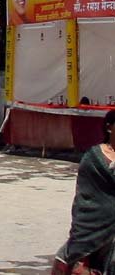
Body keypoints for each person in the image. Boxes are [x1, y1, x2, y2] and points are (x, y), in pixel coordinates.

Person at [53, 109, 115, 273]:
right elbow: (85, 198)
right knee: (66, 262)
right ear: (109, 128)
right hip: (93, 228)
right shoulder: (94, 158)